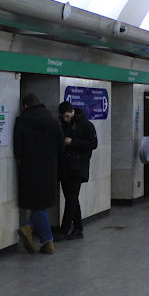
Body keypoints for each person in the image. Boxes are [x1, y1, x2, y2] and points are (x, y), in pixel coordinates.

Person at [13, 92, 64, 255]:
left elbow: (18, 150)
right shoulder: (52, 121)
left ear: (26, 106)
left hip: (29, 169)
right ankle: (41, 237)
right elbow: (61, 145)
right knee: (40, 204)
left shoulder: (22, 122)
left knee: (36, 204)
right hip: (49, 168)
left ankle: (38, 234)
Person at [57, 101, 98, 240]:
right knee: (71, 199)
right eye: (63, 117)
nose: (65, 119)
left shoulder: (86, 125)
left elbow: (93, 144)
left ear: (73, 111)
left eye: (67, 116)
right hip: (65, 167)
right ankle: (78, 229)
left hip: (78, 167)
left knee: (71, 199)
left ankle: (64, 230)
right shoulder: (62, 125)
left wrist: (72, 142)